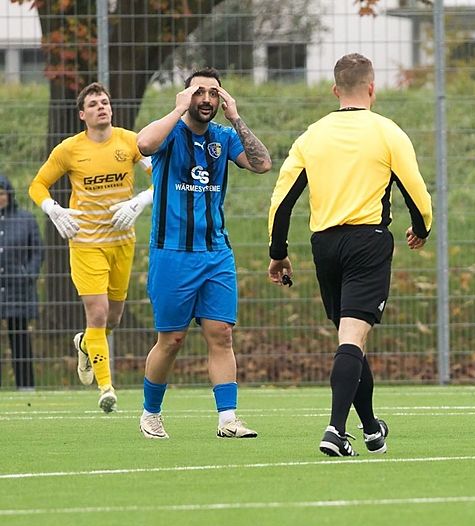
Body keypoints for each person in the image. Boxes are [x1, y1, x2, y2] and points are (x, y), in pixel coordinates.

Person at [267, 53, 432, 457]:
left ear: (335, 90)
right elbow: (417, 192)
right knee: (353, 339)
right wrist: (421, 227)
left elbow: (282, 200)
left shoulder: (312, 135)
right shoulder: (387, 132)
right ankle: (335, 430)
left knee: (350, 340)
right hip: (367, 242)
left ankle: (372, 430)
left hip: (325, 245)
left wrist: (278, 252)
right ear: (372, 88)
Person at [136, 67, 272, 439]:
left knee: (221, 334)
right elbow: (144, 145)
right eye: (200, 92)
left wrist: (237, 117)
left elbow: (262, 164)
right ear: (187, 97)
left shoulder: (224, 138)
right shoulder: (170, 133)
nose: (207, 99)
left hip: (216, 253)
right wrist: (176, 110)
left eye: (214, 93)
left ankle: (228, 419)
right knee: (172, 339)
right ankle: (150, 413)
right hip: (172, 253)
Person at [27, 82, 153, 411]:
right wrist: (53, 210)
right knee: (96, 314)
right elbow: (38, 185)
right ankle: (106, 388)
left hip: (122, 242)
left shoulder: (131, 142)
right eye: (94, 103)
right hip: (85, 243)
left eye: (105, 102)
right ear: (82, 114)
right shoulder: (69, 150)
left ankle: (84, 343)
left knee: (113, 318)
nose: (102, 107)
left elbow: (162, 175)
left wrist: (141, 200)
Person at [0, 175, 43, 390]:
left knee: (19, 337)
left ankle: (25, 386)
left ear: (9, 194)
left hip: (19, 289)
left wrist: (29, 274)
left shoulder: (25, 219)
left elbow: (37, 251)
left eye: (2, 193)